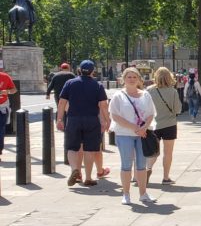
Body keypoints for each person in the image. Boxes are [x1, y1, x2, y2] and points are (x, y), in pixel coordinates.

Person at [57, 60, 111, 186]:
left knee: (72, 147)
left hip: (73, 119)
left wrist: (59, 119)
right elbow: (103, 105)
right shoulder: (97, 85)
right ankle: (88, 178)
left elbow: (61, 102)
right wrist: (107, 120)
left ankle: (75, 169)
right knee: (89, 150)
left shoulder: (70, 83)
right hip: (91, 120)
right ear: (93, 71)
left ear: (79, 70)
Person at [109, 67, 156, 205]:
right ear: (124, 79)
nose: (132, 79)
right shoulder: (118, 96)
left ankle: (143, 193)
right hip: (124, 134)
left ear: (139, 79)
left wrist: (144, 128)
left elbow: (151, 113)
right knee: (126, 164)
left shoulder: (145, 95)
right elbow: (115, 116)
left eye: (134, 77)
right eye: (129, 77)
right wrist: (135, 128)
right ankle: (126, 194)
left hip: (142, 134)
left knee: (141, 165)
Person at [147, 67, 182, 184]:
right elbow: (178, 109)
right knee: (168, 153)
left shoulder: (149, 91)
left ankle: (147, 169)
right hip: (169, 124)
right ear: (169, 77)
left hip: (153, 124)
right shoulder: (173, 91)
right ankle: (166, 177)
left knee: (152, 151)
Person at [0, 66, 17, 154]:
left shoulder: (5, 77)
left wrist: (7, 91)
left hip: (2, 107)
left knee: (1, 129)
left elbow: (14, 90)